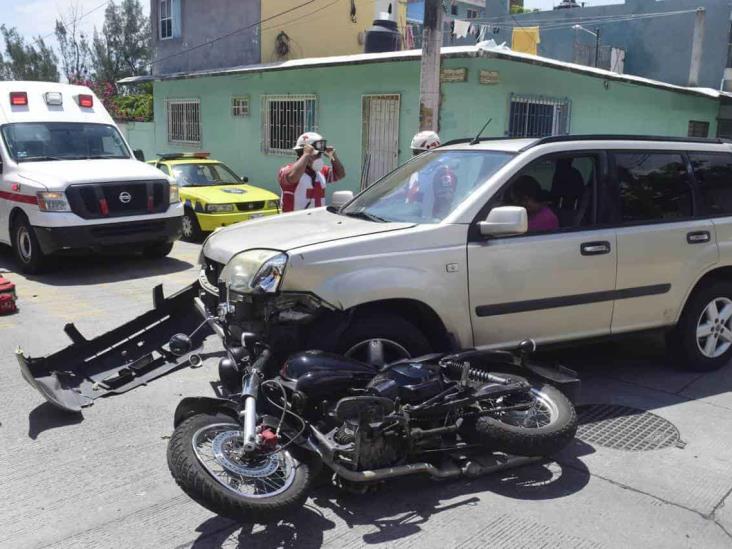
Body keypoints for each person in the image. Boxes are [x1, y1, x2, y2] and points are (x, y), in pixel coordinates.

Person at [277, 132, 345, 212]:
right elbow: (292, 177)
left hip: (316, 222)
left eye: (320, 154)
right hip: (293, 222)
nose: (319, 157)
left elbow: (340, 174)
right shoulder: (286, 170)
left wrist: (333, 157)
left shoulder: (321, 171)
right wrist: (306, 155)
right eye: (316, 154)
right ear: (302, 153)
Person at [405, 131, 457, 219]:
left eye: (418, 152)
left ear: (431, 151)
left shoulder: (442, 173)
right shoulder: (418, 170)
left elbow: (444, 205)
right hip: (412, 221)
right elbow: (407, 192)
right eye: (414, 152)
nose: (415, 156)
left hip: (430, 225)